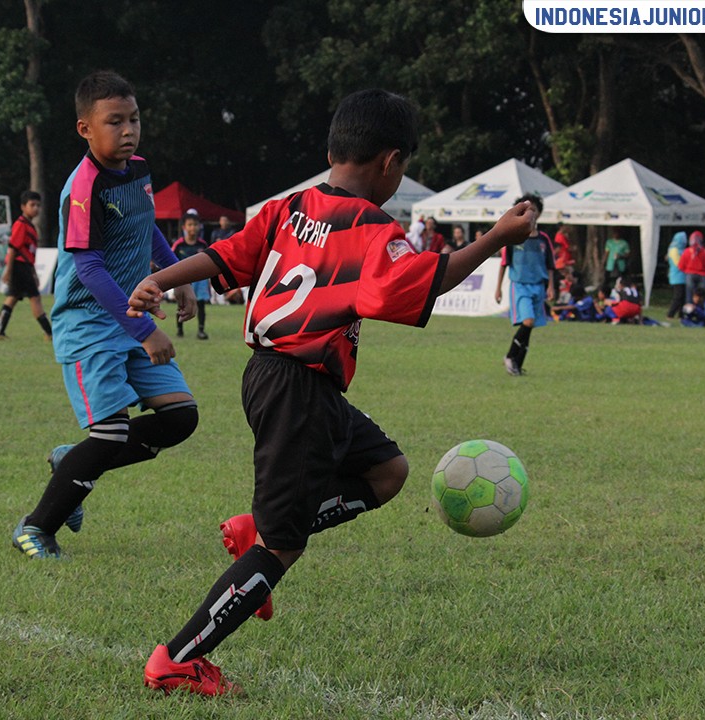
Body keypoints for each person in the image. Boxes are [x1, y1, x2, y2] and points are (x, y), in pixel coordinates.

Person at [126, 88, 538, 697]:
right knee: (282, 548)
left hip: (277, 380)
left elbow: (222, 256)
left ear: (331, 148)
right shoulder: (372, 227)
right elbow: (421, 283)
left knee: (387, 471)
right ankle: (178, 658)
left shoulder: (287, 207)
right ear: (391, 162)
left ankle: (253, 529)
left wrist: (158, 278)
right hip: (299, 390)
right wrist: (495, 238)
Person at [9, 70, 200, 559]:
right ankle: (36, 527)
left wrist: (175, 278)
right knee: (110, 430)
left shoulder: (138, 170)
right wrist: (145, 329)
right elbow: (89, 267)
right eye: (114, 121)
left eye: (133, 119)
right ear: (85, 129)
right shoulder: (83, 186)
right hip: (90, 323)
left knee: (180, 417)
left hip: (130, 318)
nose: (129, 130)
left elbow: (146, 230)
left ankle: (71, 462)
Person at [494, 194, 555, 376]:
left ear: (539, 213)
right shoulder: (514, 237)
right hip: (520, 285)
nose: (531, 213)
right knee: (527, 322)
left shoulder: (544, 239)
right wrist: (498, 288)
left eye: (534, 210)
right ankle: (511, 356)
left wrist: (551, 286)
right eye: (527, 210)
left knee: (531, 325)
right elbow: (504, 263)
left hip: (538, 285)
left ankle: (517, 366)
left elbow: (550, 265)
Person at [0, 190, 53, 341]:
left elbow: (29, 253)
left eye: (38, 205)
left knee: (14, 298)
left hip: (25, 267)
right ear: (23, 207)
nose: (36, 208)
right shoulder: (20, 224)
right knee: (33, 299)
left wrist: (33, 273)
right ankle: (49, 333)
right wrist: (8, 270)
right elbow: (13, 248)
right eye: (32, 205)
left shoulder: (30, 226)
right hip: (19, 266)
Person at [171, 209, 210, 339]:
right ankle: (180, 329)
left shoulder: (202, 244)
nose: (193, 227)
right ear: (184, 227)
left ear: (199, 226)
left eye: (195, 224)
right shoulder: (179, 245)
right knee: (181, 304)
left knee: (201, 304)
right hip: (184, 279)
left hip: (200, 279)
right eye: (190, 224)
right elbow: (171, 261)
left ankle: (201, 331)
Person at [678, 230, 705, 301]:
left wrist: (687, 271)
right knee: (702, 296)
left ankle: (690, 310)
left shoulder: (687, 251)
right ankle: (701, 310)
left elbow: (680, 266)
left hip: (690, 275)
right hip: (702, 275)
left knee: (689, 295)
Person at [665, 231, 688, 319]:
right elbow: (678, 263)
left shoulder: (681, 250)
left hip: (682, 276)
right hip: (677, 276)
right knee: (678, 296)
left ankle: (681, 314)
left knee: (683, 297)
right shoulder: (674, 250)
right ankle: (670, 314)